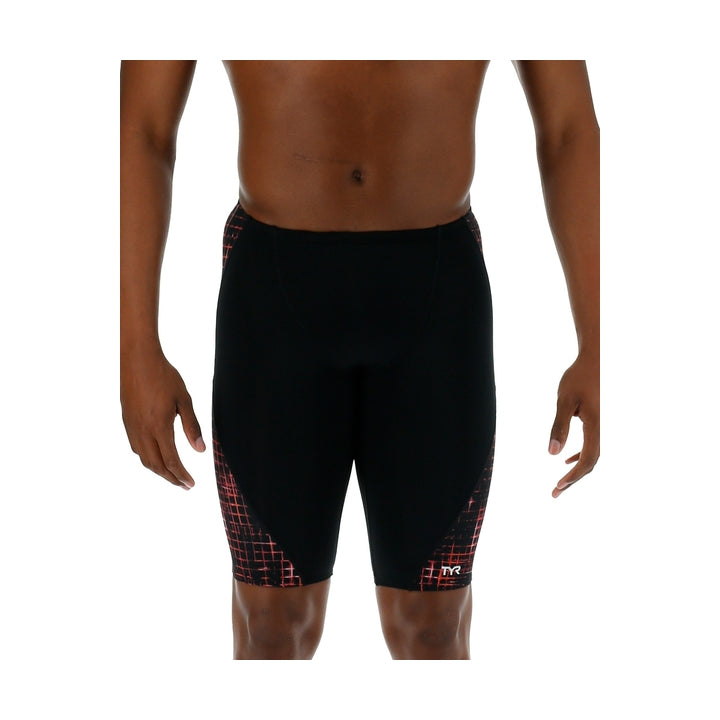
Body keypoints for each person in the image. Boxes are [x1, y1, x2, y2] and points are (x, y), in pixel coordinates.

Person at [120, 60, 599, 660]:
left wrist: (598, 343)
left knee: (433, 631)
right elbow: (144, 125)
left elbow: (567, 125)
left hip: (437, 298)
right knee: (271, 628)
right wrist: (136, 346)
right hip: (274, 296)